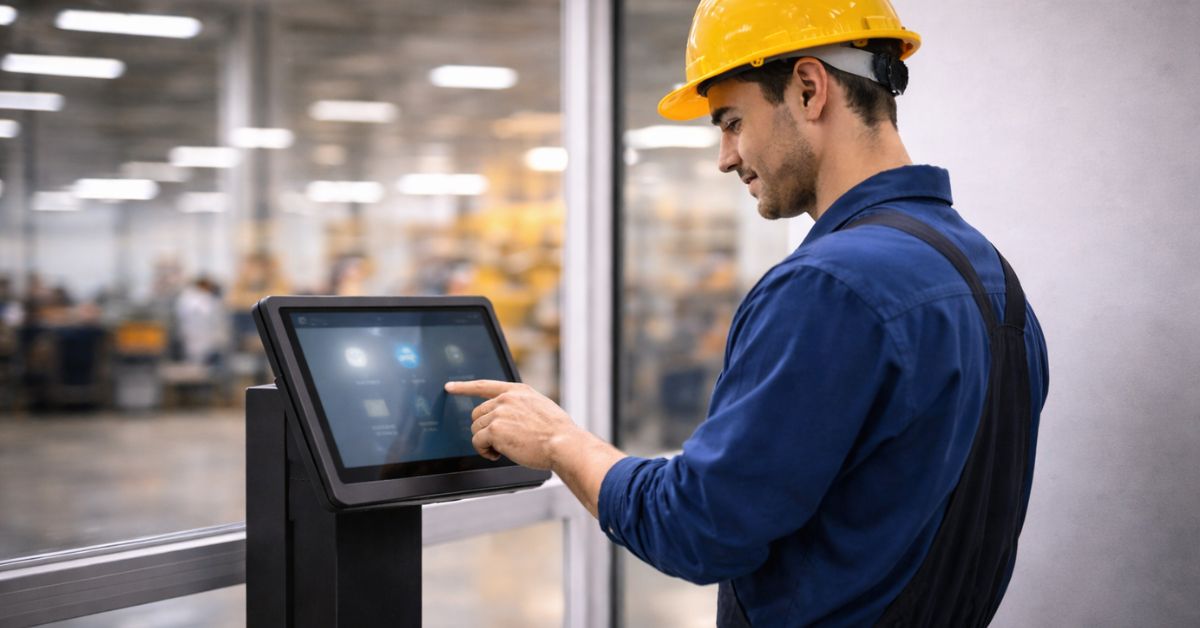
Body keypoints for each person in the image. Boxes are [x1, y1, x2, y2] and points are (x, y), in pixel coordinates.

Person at [446, 1, 1050, 625]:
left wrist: (558, 441)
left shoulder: (831, 285)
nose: (725, 157)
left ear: (810, 89)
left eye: (732, 121)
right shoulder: (990, 277)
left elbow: (698, 527)